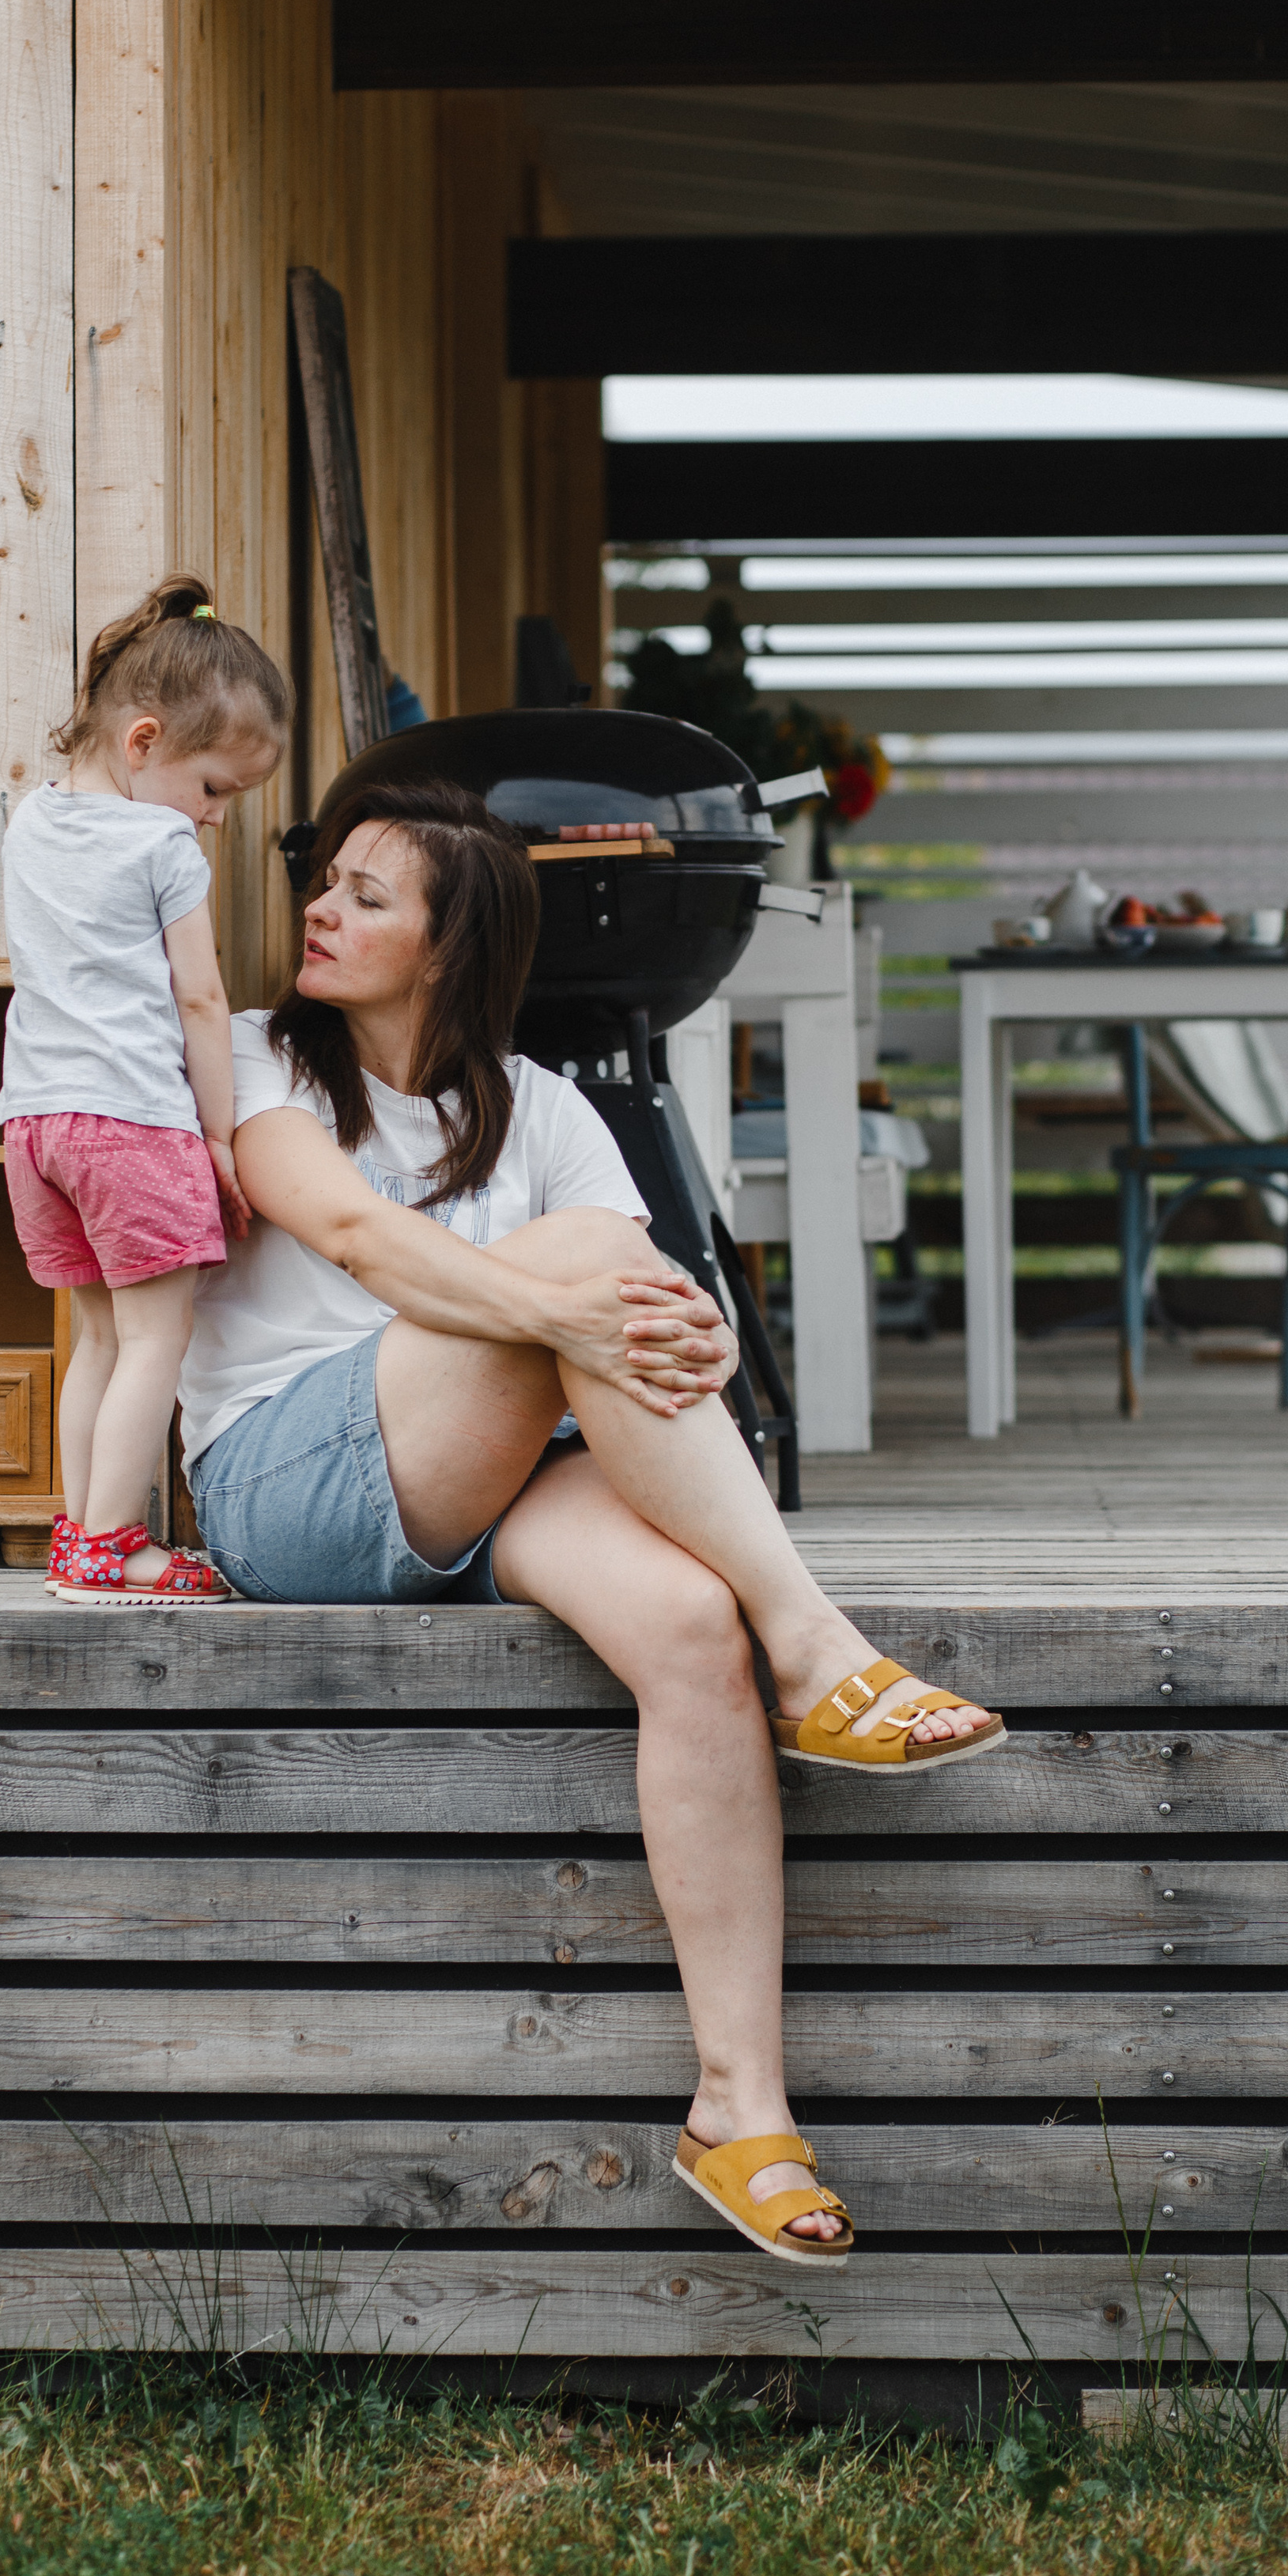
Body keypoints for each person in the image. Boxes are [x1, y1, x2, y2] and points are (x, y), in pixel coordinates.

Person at [179, 777, 1005, 2260]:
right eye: (329, 882)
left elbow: (670, 1323)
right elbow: (361, 1240)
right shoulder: (254, 1063)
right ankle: (816, 1648)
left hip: (492, 1474)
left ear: (449, 945)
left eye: (370, 895)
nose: (321, 907)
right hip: (284, 1485)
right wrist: (574, 1307)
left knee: (690, 1627)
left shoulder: (541, 1104)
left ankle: (739, 2114)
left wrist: (671, 1334)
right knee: (576, 1261)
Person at [0, 575, 292, 1602]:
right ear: (143, 740)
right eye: (215, 790)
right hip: (133, 1124)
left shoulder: (29, 821)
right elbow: (201, 1002)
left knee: (100, 1340)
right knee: (159, 1337)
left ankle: (77, 1536)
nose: (213, 819)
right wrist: (217, 1140)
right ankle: (115, 1544)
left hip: (33, 1124)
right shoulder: (160, 843)